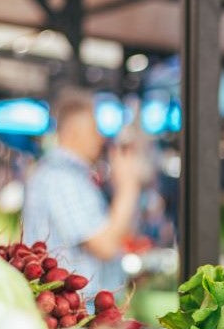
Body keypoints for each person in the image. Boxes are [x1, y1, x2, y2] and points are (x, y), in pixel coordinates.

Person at [22, 91, 141, 294]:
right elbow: (105, 246)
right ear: (72, 132)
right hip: (76, 315)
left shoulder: (68, 175)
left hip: (77, 313)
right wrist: (128, 186)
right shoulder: (60, 178)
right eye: (94, 129)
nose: (101, 138)